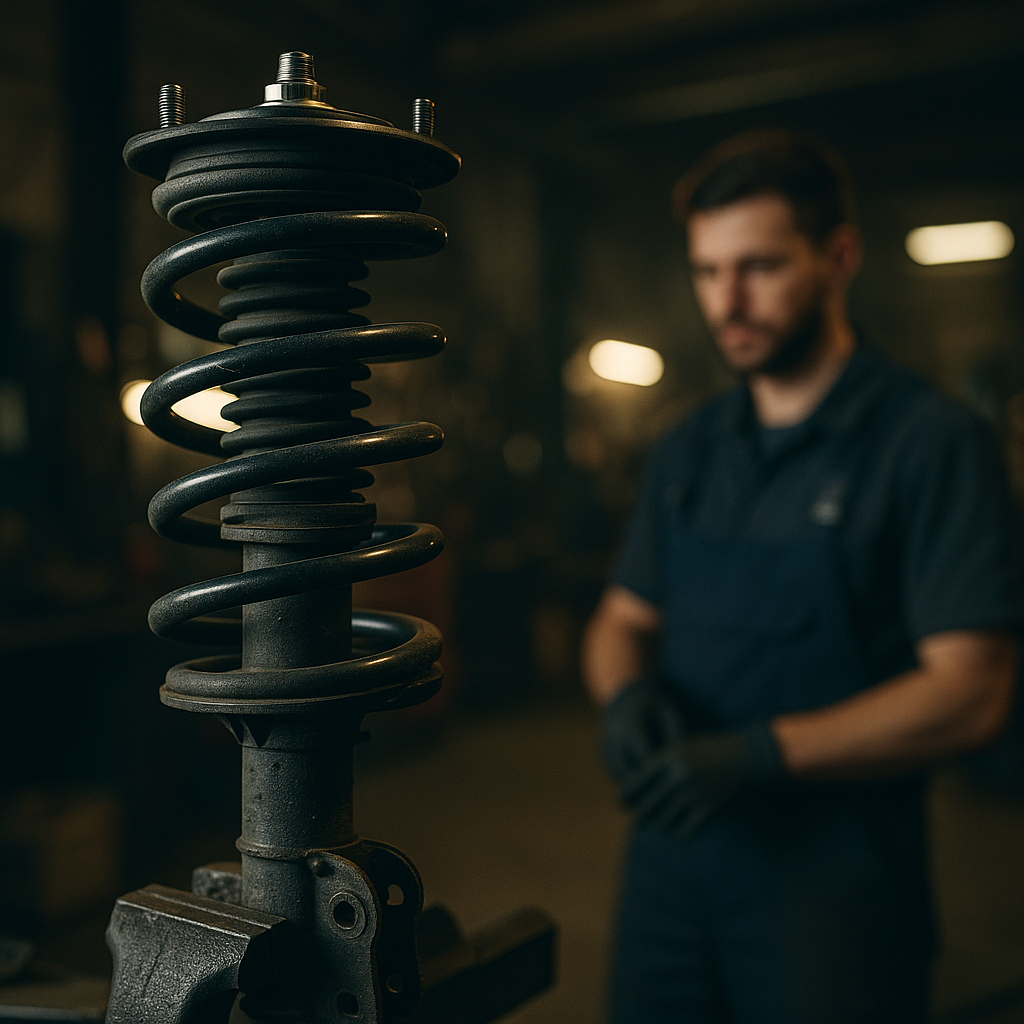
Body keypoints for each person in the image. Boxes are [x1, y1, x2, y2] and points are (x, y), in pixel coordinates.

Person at [581, 131, 1020, 1024]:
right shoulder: (690, 445)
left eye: (760, 267)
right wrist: (623, 699)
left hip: (835, 888)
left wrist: (761, 753)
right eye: (708, 272)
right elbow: (621, 620)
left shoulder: (929, 444)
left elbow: (971, 692)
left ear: (839, 256)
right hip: (675, 860)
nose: (727, 302)